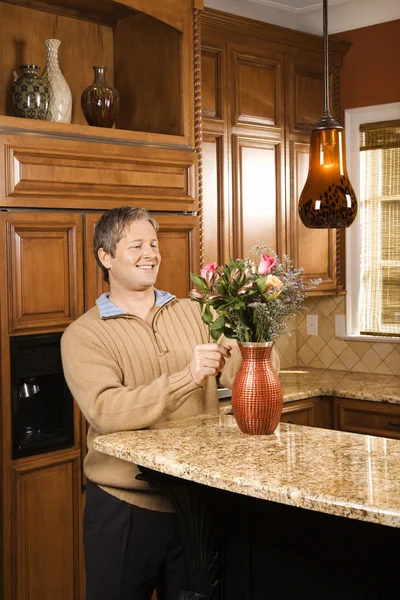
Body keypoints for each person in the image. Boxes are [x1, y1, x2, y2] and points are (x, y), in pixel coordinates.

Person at [61, 206, 279, 600]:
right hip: (124, 507)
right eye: (137, 245)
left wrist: (254, 328)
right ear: (105, 257)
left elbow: (256, 374)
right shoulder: (83, 335)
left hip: (200, 502)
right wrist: (188, 377)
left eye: (154, 244)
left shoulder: (199, 312)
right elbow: (107, 411)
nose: (151, 254)